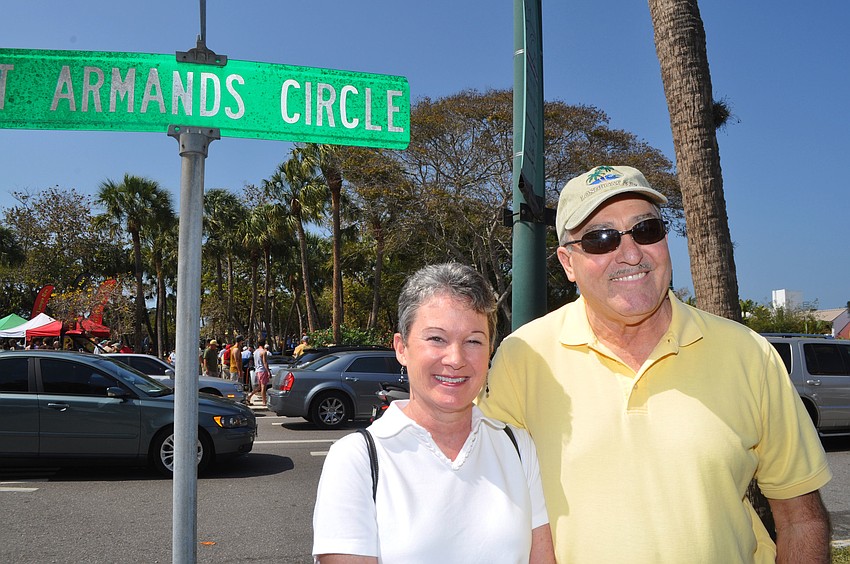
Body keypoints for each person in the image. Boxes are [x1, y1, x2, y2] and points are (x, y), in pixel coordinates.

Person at [477, 165, 833, 562]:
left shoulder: (749, 354)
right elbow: (491, 508)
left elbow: (801, 518)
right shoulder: (522, 357)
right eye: (600, 239)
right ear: (568, 263)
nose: (630, 255)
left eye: (646, 230)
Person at [313, 263, 555, 563]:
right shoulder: (357, 458)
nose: (455, 359)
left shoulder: (517, 447)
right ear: (401, 348)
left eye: (473, 341)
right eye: (437, 339)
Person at [248, 338, 271, 405]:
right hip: (262, 370)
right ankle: (264, 402)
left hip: (257, 370)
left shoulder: (255, 352)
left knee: (259, 387)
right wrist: (268, 371)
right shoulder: (264, 352)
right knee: (263, 387)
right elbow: (265, 362)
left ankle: (250, 396)